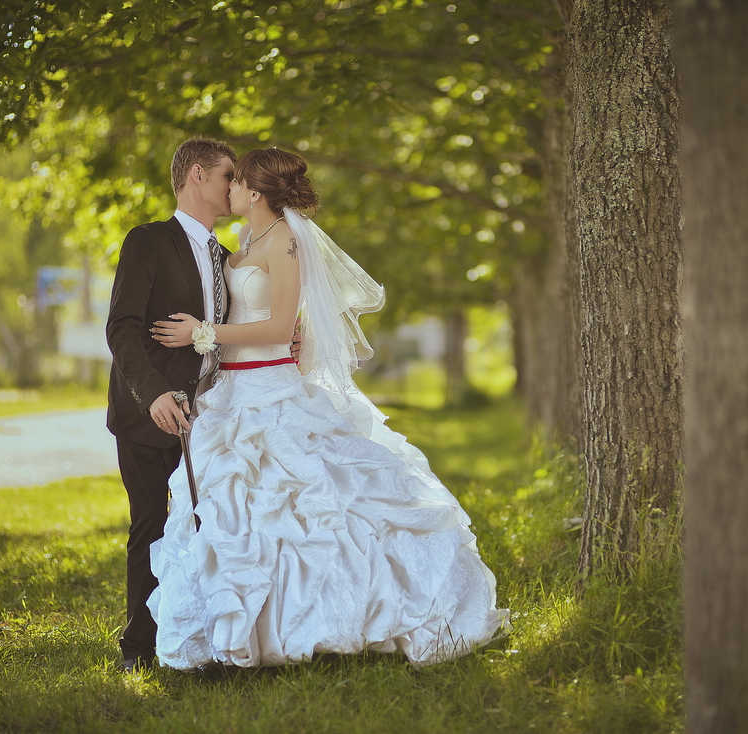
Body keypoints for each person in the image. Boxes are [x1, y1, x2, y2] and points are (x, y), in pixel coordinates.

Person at [147, 148, 509, 669]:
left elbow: (276, 329)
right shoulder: (247, 240)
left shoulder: (288, 243)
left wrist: (201, 333)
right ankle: (232, 627)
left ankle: (325, 622)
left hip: (271, 388)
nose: (227, 191)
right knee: (234, 508)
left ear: (253, 190)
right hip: (232, 392)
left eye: (236, 182)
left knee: (308, 507)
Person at [105, 137, 237, 672]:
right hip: (147, 414)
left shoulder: (229, 258)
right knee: (151, 528)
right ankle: (138, 649)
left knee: (205, 529)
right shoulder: (149, 242)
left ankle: (196, 640)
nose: (236, 187)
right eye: (229, 175)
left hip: (211, 419)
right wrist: (154, 393)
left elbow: (227, 334)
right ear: (198, 175)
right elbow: (122, 328)